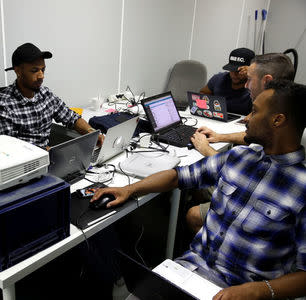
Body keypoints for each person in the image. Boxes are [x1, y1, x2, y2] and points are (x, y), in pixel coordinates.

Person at [93, 80, 306, 299]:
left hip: (242, 290)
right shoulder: (239, 157)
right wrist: (130, 189)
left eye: (254, 111)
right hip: (191, 269)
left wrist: (261, 290)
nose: (247, 119)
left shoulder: (302, 188)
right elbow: (179, 176)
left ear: (277, 120)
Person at [187, 53, 296, 232]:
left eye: (249, 79)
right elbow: (250, 138)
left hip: (259, 200)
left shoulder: (274, 119)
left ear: (266, 81)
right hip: (260, 186)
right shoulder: (283, 109)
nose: (246, 85)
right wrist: (220, 137)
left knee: (193, 205)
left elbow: (241, 174)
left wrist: (206, 150)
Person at [0, 42, 104, 149]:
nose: (41, 76)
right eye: (34, 70)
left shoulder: (45, 94)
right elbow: (9, 150)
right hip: (25, 165)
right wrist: (44, 152)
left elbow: (72, 118)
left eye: (43, 70)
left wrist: (91, 132)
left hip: (48, 157)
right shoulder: (2, 105)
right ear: (18, 71)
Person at [199, 48, 255, 115]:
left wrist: (253, 74)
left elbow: (265, 109)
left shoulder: (256, 86)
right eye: (231, 69)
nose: (234, 74)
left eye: (238, 71)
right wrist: (204, 110)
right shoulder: (218, 79)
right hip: (217, 119)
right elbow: (202, 94)